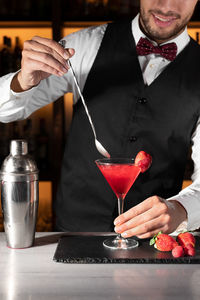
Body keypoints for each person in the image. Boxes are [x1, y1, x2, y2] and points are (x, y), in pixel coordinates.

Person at [0, 0, 200, 238]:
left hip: (153, 242)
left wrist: (180, 209)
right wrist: (23, 81)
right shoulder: (85, 44)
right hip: (74, 234)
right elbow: (5, 112)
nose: (167, 6)